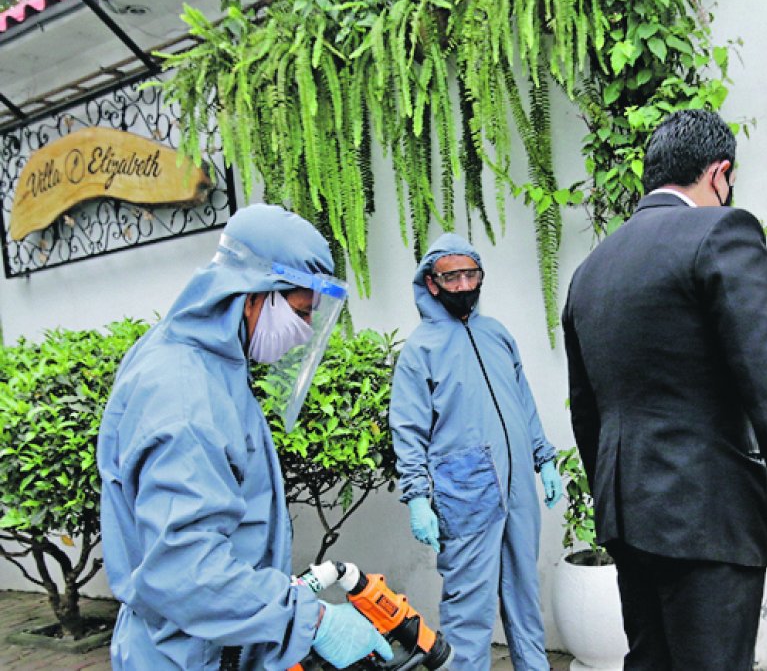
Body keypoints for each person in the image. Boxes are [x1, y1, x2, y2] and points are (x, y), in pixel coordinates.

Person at [561, 109, 767, 671]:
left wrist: (614, 497)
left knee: (651, 662)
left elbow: (586, 408)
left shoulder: (591, 270)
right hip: (705, 513)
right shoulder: (722, 231)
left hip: (626, 512)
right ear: (720, 173)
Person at [98, 204, 393, 670]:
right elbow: (184, 569)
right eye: (299, 313)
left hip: (209, 643)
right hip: (189, 654)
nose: (300, 336)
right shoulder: (184, 395)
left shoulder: (204, 362)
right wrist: (310, 621)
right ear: (251, 293)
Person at [390, 234, 562, 671]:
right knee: (469, 609)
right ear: (432, 283)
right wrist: (416, 497)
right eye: (453, 276)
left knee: (524, 594)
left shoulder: (497, 335)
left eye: (472, 274)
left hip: (519, 485)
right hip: (464, 492)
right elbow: (408, 430)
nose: (465, 285)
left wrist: (543, 459)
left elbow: (523, 401)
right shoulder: (419, 352)